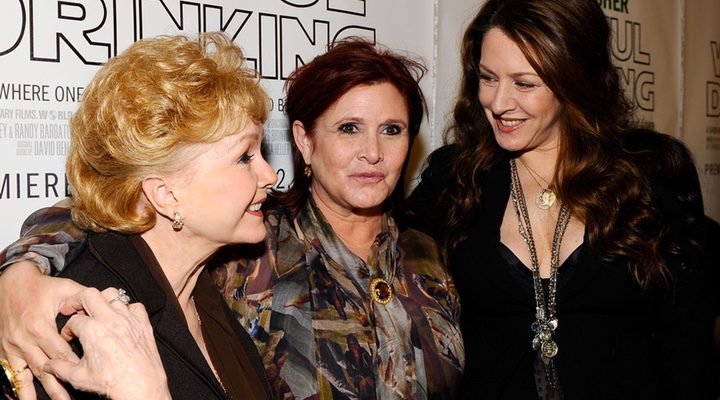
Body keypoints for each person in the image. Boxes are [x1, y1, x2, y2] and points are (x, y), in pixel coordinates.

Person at [0, 38, 464, 399]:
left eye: (392, 130)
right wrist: (20, 274)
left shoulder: (426, 250)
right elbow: (98, 213)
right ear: (304, 140)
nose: (373, 152)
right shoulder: (248, 251)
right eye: (349, 128)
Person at [407, 0, 713, 398]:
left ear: (574, 79)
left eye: (524, 83)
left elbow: (688, 351)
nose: (498, 103)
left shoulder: (652, 174)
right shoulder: (455, 178)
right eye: (487, 77)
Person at [0, 32, 278, 399]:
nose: (271, 175)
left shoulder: (206, 294)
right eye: (244, 157)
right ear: (164, 194)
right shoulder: (83, 326)